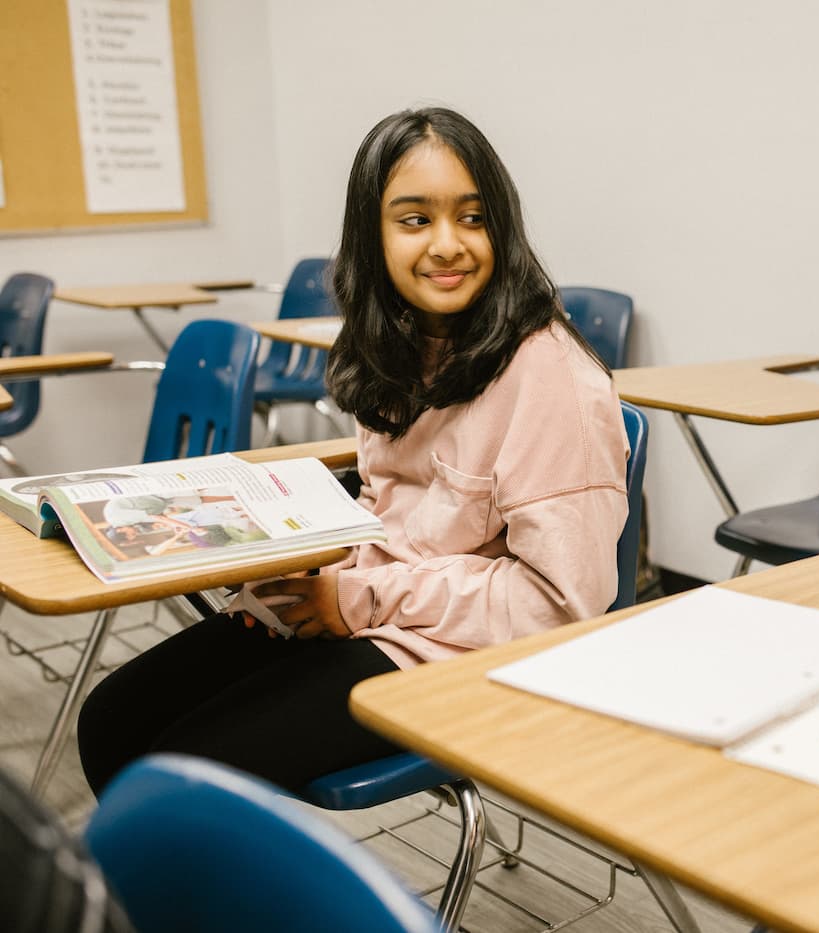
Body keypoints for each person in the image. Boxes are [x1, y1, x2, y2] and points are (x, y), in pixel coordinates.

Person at [77, 107, 630, 795]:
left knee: (181, 778)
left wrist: (357, 597)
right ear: (373, 235)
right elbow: (385, 511)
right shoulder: (401, 343)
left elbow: (558, 605)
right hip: (373, 609)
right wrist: (274, 562)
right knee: (111, 722)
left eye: (473, 216)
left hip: (458, 654)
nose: (448, 244)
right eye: (415, 219)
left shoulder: (550, 377)